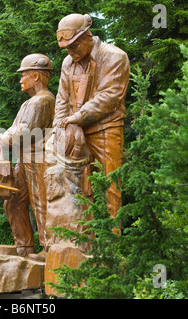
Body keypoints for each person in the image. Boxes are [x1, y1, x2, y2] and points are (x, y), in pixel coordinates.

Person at [53, 13, 130, 225]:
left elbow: (109, 97)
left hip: (105, 130)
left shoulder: (114, 57)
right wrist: (59, 128)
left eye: (74, 46)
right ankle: (82, 243)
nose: (70, 52)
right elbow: (61, 99)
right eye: (66, 48)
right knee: (76, 188)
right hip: (74, 133)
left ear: (87, 36)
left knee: (109, 187)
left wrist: (76, 118)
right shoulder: (68, 63)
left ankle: (110, 248)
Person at [0, 54, 55, 260]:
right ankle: (24, 248)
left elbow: (26, 131)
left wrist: (4, 136)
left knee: (41, 202)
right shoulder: (30, 103)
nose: (20, 79)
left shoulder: (43, 101)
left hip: (39, 159)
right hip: (24, 159)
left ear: (36, 76)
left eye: (24, 75)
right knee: (13, 200)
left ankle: (49, 249)